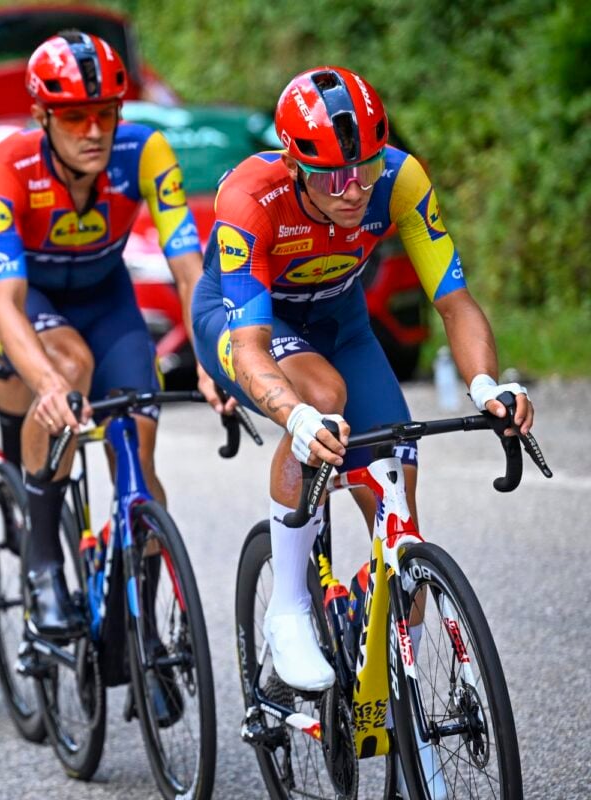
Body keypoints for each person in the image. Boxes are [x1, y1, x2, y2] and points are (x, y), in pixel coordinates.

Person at [190, 66, 535, 691]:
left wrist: (487, 386)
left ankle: (393, 686)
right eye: (332, 175)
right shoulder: (250, 197)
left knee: (396, 505)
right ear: (295, 165)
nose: (353, 191)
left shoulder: (400, 180)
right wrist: (294, 417)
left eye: (365, 168)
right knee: (321, 397)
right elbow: (250, 345)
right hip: (247, 324)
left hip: (342, 324)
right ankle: (288, 607)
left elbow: (454, 300)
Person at [0, 31, 206, 643]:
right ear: (43, 116)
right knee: (68, 367)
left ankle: (143, 632)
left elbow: (188, 268)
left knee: (139, 444)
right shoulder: (7, 165)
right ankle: (43, 563)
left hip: (106, 300)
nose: (94, 131)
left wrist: (211, 357)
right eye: (75, 117)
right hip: (24, 300)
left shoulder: (145, 151)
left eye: (105, 114)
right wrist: (47, 383)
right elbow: (5, 298)